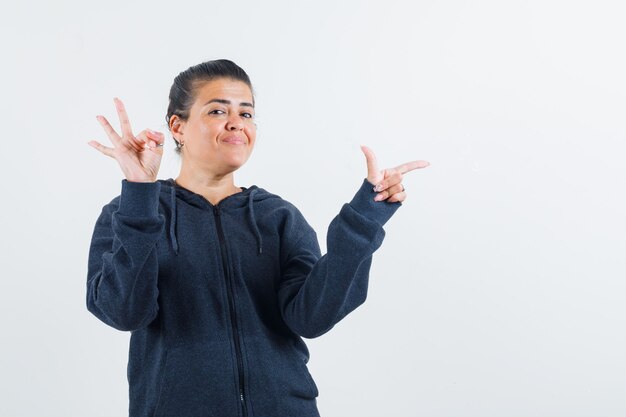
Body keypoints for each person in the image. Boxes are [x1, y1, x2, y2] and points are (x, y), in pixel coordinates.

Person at [86, 59, 430, 417]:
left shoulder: (277, 216)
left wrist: (363, 219)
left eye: (246, 114)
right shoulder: (130, 213)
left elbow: (311, 318)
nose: (236, 122)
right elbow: (123, 312)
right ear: (178, 126)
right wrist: (140, 195)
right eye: (218, 110)